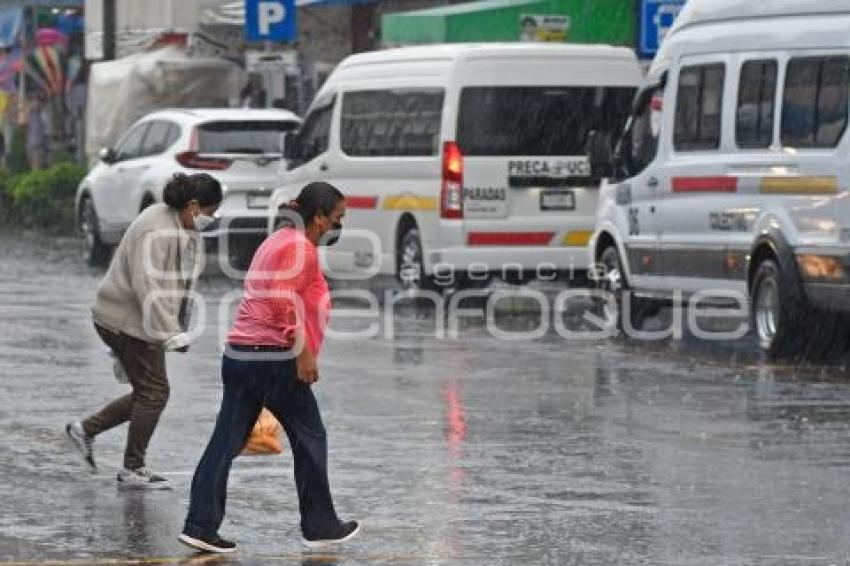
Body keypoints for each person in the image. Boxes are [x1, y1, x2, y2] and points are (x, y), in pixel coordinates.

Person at [179, 182, 358, 554]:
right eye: (338, 218)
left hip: (242, 354)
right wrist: (303, 352)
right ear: (319, 217)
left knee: (224, 442)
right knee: (310, 437)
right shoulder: (300, 247)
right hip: (274, 358)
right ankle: (321, 524)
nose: (340, 225)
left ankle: (200, 525)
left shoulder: (278, 239)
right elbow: (281, 301)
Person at [65, 173, 223, 489]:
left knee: (147, 392)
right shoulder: (158, 229)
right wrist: (171, 334)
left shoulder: (177, 222)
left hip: (133, 320)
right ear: (193, 205)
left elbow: (179, 282)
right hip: (126, 322)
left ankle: (85, 430)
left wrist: (175, 327)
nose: (212, 218)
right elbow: (148, 286)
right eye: (210, 211)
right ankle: (132, 467)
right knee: (155, 393)